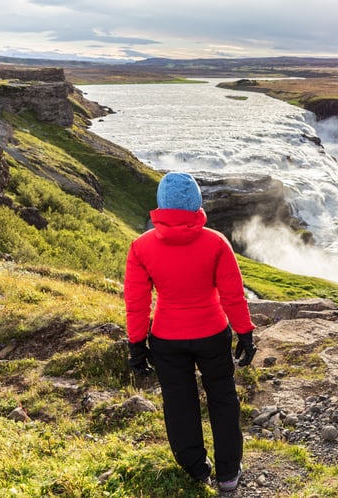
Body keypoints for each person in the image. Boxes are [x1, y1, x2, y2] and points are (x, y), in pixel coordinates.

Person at [123, 171, 257, 492]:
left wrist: (137, 345)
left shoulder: (141, 248)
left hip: (167, 340)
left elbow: (137, 302)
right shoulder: (215, 243)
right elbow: (232, 295)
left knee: (179, 404)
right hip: (212, 334)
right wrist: (245, 333)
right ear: (197, 202)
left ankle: (197, 470)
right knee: (222, 400)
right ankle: (227, 475)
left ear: (161, 205)